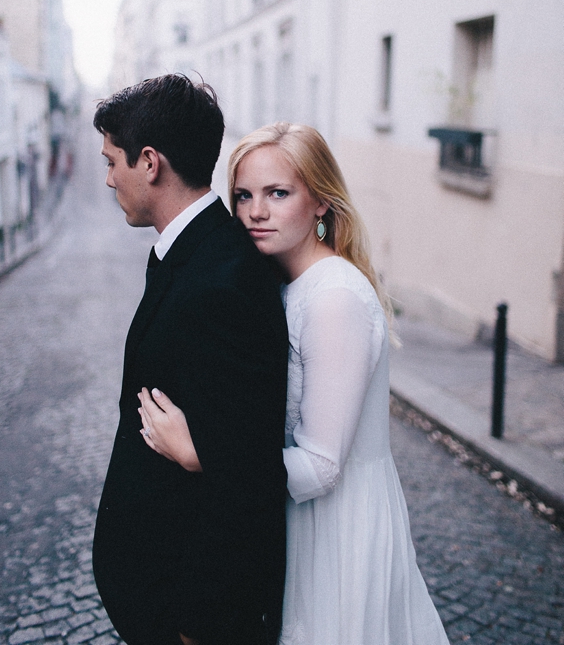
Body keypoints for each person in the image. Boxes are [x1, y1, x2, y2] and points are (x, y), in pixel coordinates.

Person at [142, 121, 450, 645]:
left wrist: (202, 455)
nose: (255, 212)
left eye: (277, 194)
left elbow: (323, 466)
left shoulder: (334, 298)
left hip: (334, 531)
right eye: (243, 196)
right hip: (294, 520)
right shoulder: (288, 284)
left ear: (322, 203)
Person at [91, 76, 289, 645]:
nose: (107, 178)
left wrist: (198, 629)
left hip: (187, 617)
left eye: (111, 161)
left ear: (149, 162)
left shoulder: (223, 279)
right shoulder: (192, 251)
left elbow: (242, 481)